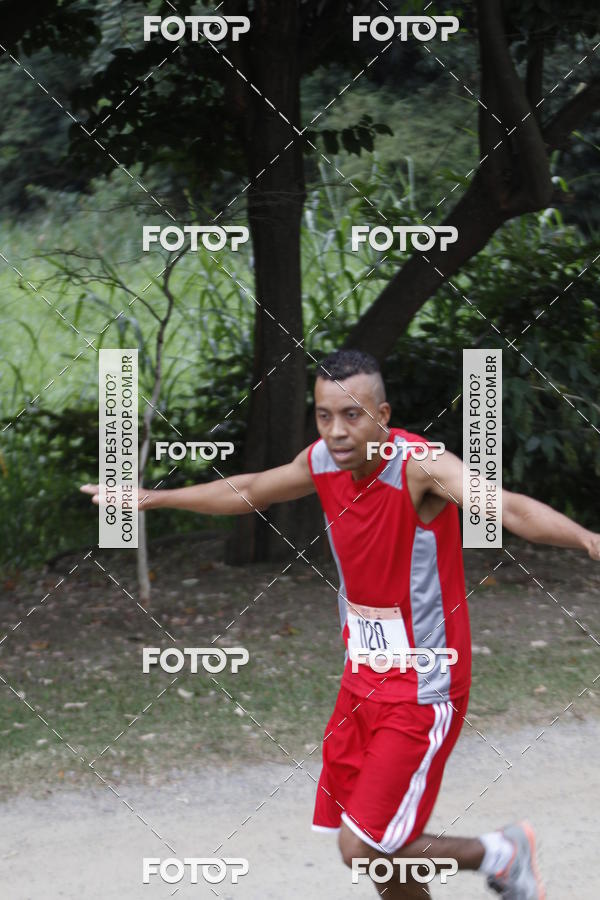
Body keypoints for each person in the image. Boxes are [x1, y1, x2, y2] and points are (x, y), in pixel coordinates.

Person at [81, 349, 600, 898]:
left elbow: (508, 508)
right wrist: (153, 498)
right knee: (380, 852)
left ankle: (499, 852)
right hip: (361, 681)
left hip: (423, 685)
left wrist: (588, 540)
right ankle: (496, 855)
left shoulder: (420, 467)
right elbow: (251, 490)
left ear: (383, 413)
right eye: (324, 415)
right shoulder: (323, 463)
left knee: (363, 846)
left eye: (351, 415)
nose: (336, 431)